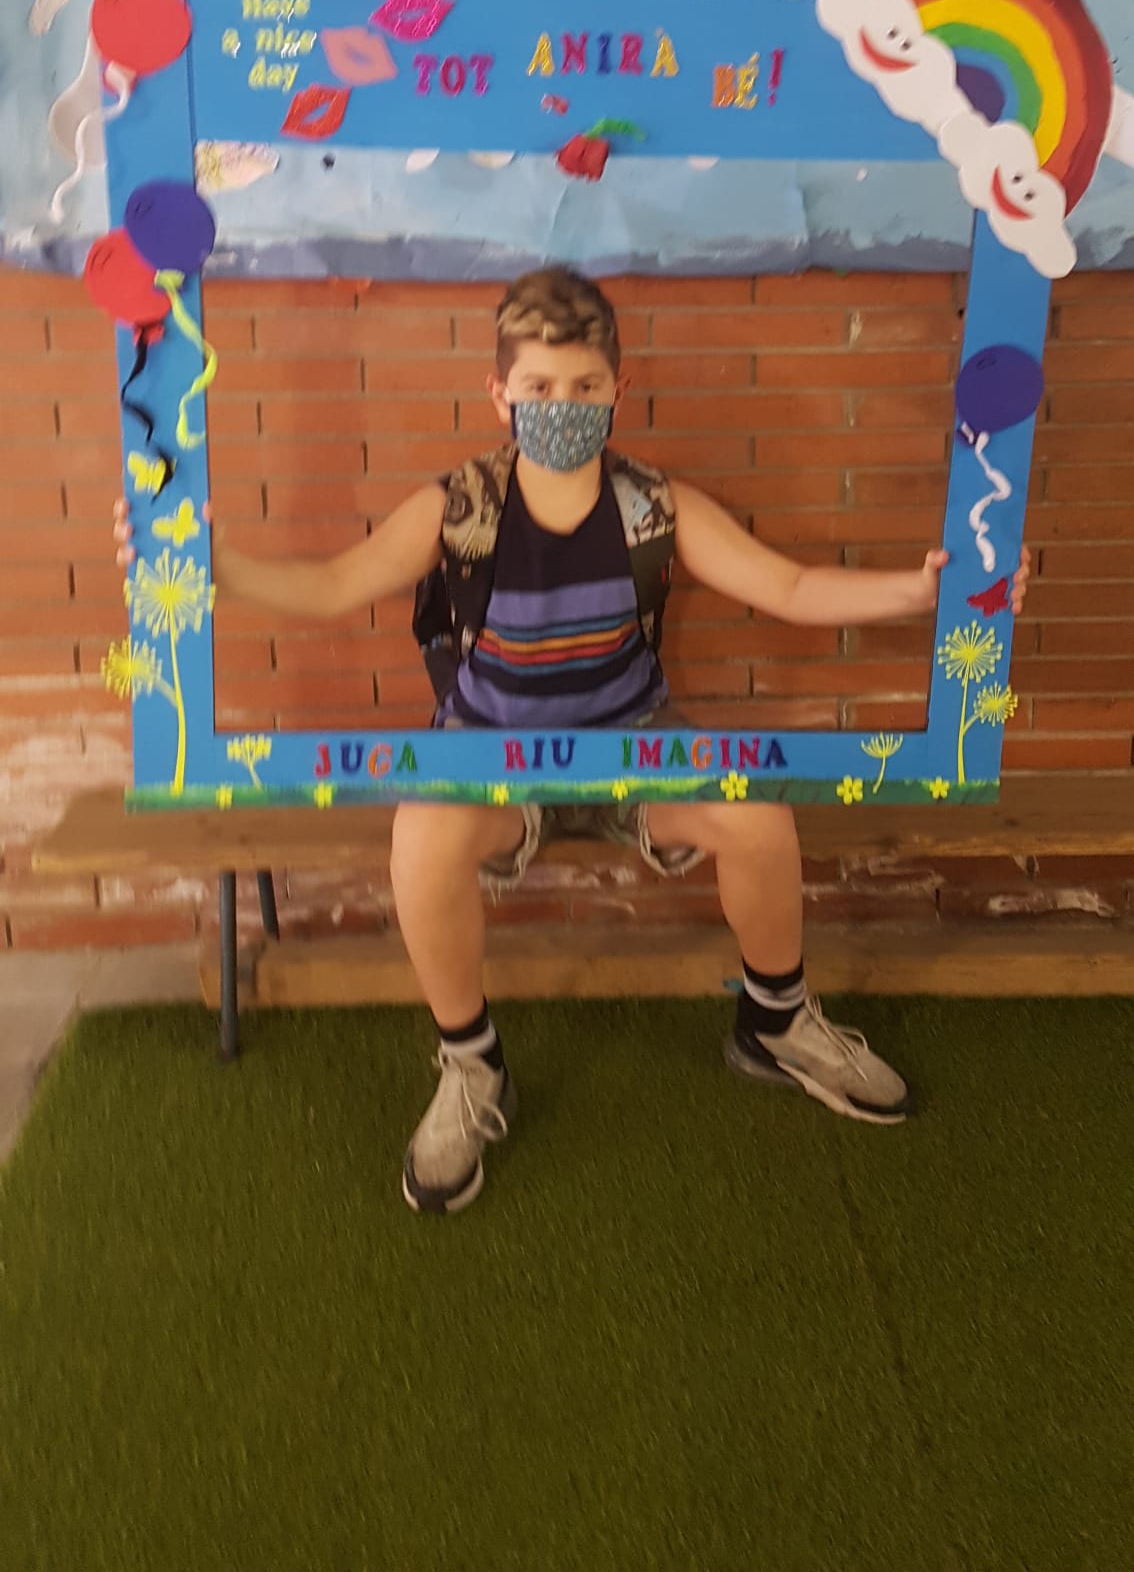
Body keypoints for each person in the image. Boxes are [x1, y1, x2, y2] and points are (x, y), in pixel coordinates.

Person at [114, 266, 1031, 1216]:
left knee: (757, 814)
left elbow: (790, 589)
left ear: (618, 390)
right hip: (491, 752)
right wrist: (211, 566)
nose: (563, 403)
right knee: (420, 835)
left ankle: (775, 1021)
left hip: (633, 742)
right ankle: (473, 1064)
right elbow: (334, 585)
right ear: (499, 393)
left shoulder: (654, 505)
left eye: (585, 385)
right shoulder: (458, 505)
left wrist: (922, 591)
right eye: (540, 386)